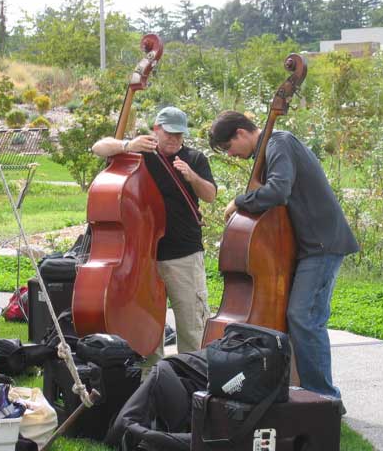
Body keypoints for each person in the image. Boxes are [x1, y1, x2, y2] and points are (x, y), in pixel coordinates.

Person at [208, 110, 359, 404]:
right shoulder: (272, 148)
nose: (232, 155)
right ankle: (304, 390)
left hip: (322, 244)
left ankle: (324, 399)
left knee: (304, 318)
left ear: (240, 133)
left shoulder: (279, 143)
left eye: (229, 148)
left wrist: (238, 201)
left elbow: (278, 191)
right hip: (310, 245)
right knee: (302, 318)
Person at [91, 106, 217, 361]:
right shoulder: (141, 154)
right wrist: (128, 144)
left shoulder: (194, 158)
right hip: (143, 259)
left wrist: (192, 176)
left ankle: (191, 378)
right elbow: (99, 147)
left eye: (179, 135)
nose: (174, 139)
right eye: (169, 133)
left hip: (184, 254)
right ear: (156, 130)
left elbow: (210, 195)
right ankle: (152, 381)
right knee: (147, 325)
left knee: (191, 325)